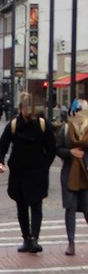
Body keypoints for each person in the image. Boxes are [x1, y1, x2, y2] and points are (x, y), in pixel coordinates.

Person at [0, 93, 56, 253]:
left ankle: (34, 238)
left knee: (36, 206)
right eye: (27, 109)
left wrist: (44, 166)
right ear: (21, 109)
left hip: (37, 173)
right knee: (22, 207)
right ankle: (27, 238)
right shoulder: (13, 125)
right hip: (19, 174)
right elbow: (1, 146)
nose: (30, 113)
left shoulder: (43, 125)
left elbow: (51, 149)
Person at [55, 99, 88, 256]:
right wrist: (70, 153)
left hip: (86, 174)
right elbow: (58, 149)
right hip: (69, 174)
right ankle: (71, 243)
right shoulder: (66, 129)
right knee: (70, 208)